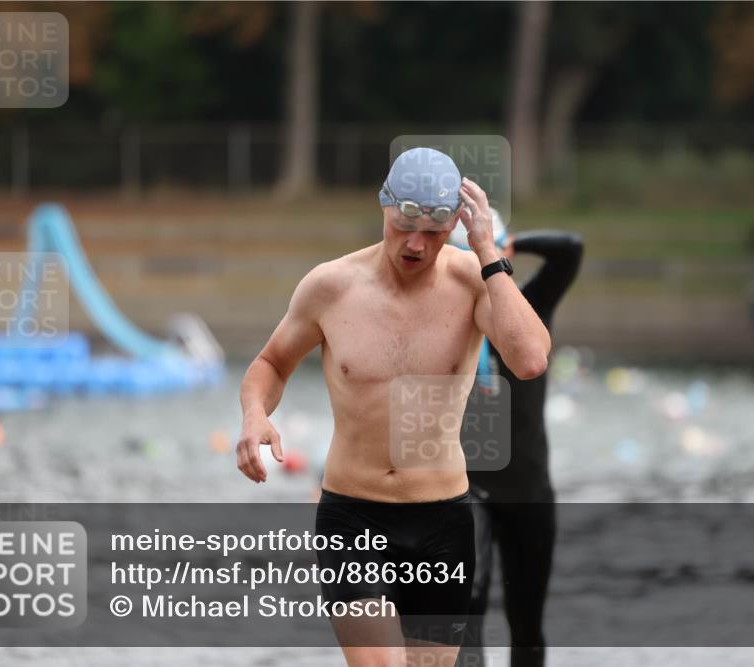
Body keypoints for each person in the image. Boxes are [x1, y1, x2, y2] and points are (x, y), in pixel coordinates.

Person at [236, 146, 552, 667]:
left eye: (433, 230)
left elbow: (531, 360)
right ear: (383, 206)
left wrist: (487, 255)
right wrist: (254, 415)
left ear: (454, 223)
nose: (415, 243)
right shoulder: (330, 286)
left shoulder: (473, 282)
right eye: (404, 224)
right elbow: (270, 363)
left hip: (442, 520)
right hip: (352, 512)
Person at [451, 210, 583, 667]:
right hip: (464, 490)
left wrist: (503, 242)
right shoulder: (441, 323)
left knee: (526, 621)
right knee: (466, 611)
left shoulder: (529, 309)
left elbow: (570, 249)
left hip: (528, 491)